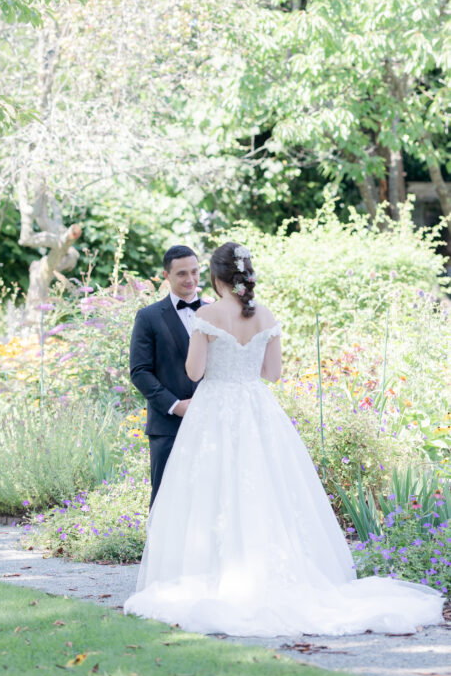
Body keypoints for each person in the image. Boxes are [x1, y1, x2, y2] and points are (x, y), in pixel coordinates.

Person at [124, 241, 443, 636]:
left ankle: (215, 572)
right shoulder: (266, 315)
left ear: (214, 277)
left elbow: (193, 373)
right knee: (266, 488)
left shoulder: (207, 315)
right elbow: (272, 374)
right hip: (256, 409)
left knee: (211, 488)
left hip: (216, 410)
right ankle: (274, 573)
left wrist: (207, 348)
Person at [130, 245, 201, 507]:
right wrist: (175, 406)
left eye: (195, 272)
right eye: (182, 273)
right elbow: (139, 371)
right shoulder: (148, 317)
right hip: (167, 426)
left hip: (210, 421)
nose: (190, 279)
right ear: (165, 276)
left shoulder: (215, 314)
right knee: (165, 502)